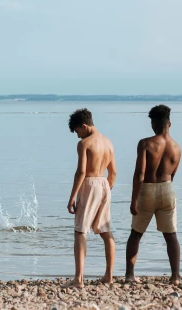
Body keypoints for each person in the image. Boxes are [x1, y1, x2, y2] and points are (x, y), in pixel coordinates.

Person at [125, 104, 182, 286]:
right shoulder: (177, 148)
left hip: (148, 189)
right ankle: (175, 276)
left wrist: (133, 199)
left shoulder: (145, 143)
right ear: (169, 124)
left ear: (153, 124)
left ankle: (129, 275)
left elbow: (139, 174)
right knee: (171, 235)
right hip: (167, 189)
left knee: (136, 234)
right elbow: (172, 174)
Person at [64, 108, 117, 288]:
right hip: (104, 184)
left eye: (77, 131)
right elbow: (114, 172)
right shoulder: (108, 143)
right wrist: (107, 188)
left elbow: (81, 172)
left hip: (89, 184)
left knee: (80, 231)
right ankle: (109, 276)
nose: (78, 136)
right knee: (105, 231)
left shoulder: (85, 144)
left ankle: (78, 279)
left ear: (84, 126)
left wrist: (72, 197)